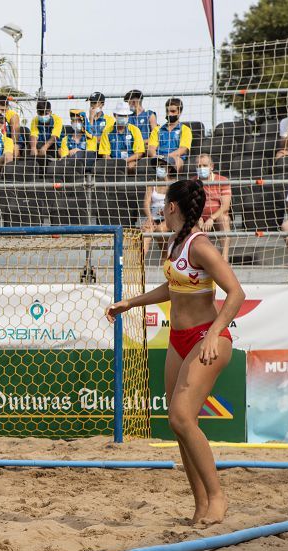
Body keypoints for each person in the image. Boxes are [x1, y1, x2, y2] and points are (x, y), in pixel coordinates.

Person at [106, 179, 244, 526]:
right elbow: (173, 287)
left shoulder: (200, 245)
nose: (158, 210)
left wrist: (214, 334)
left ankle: (218, 497)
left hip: (206, 337)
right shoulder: (175, 242)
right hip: (179, 338)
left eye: (161, 205)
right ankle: (200, 506)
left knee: (181, 417)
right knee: (180, 425)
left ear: (171, 207)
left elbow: (236, 293)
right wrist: (130, 302)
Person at [197, 154, 232, 262]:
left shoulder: (222, 180)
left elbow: (226, 206)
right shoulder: (193, 182)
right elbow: (191, 204)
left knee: (224, 219)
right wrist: (198, 217)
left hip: (217, 216)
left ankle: (224, 258)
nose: (201, 168)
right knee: (190, 220)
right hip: (200, 216)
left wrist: (211, 218)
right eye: (198, 166)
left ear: (211, 166)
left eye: (204, 165)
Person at [148, 97, 193, 171]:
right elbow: (151, 148)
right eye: (167, 111)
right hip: (158, 157)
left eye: (173, 111)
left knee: (173, 163)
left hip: (176, 157)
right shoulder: (157, 129)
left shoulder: (185, 129)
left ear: (179, 112)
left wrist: (166, 157)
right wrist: (156, 156)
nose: (169, 114)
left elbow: (183, 149)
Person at [99, 101, 146, 170]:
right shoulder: (107, 132)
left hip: (130, 160)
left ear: (128, 116)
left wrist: (124, 161)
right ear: (115, 115)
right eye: (120, 115)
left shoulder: (135, 130)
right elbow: (105, 154)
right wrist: (114, 163)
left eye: (125, 115)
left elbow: (139, 153)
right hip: (112, 162)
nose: (123, 117)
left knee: (131, 166)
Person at [143, 159, 176, 256]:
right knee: (145, 233)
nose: (159, 168)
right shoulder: (152, 183)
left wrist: (165, 212)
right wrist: (150, 218)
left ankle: (165, 256)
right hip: (153, 216)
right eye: (157, 166)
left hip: (168, 217)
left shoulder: (174, 184)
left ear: (169, 169)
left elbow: (176, 203)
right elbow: (146, 202)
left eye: (161, 166)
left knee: (160, 229)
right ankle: (139, 263)